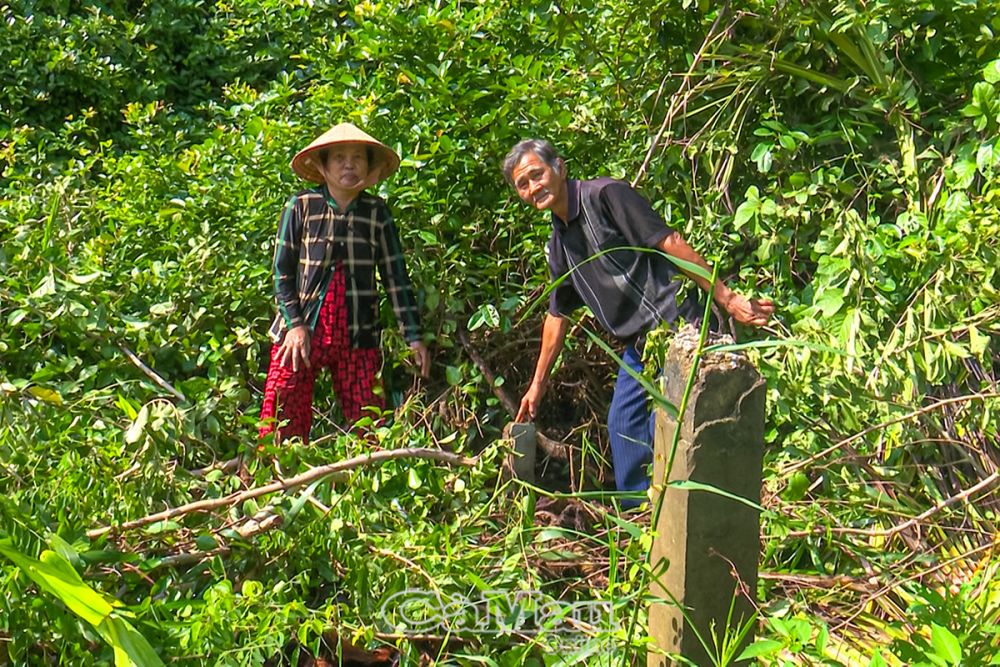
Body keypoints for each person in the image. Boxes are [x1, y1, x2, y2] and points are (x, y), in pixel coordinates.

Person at [504, 139, 774, 504]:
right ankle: (640, 519)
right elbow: (557, 315)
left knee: (663, 424)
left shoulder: (605, 196)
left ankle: (681, 512)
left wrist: (726, 299)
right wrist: (537, 385)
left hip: (680, 325)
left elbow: (670, 241)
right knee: (624, 426)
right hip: (639, 346)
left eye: (537, 175)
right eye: (523, 184)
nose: (534, 187)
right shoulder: (559, 243)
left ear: (559, 168)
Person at [259, 123, 430, 443]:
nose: (348, 164)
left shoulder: (377, 213)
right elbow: (282, 274)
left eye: (357, 158)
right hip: (303, 331)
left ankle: (367, 482)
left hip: (357, 332)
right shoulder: (301, 206)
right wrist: (294, 325)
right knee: (281, 413)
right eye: (339, 157)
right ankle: (275, 481)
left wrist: (414, 336)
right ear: (323, 166)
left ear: (369, 167)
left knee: (369, 418)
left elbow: (396, 278)